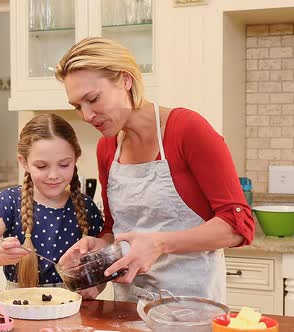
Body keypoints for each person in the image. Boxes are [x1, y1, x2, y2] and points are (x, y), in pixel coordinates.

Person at [54, 37, 255, 303]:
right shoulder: (107, 148)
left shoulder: (187, 130)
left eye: (92, 99)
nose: (87, 115)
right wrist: (99, 249)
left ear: (125, 80)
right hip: (127, 306)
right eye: (78, 106)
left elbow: (238, 226)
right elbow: (116, 228)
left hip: (190, 308)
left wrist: (159, 243)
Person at [0, 113, 105, 291]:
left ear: (75, 159)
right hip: (20, 307)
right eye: (41, 166)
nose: (53, 175)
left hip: (74, 308)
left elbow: (102, 266)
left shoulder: (86, 206)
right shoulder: (9, 201)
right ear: (24, 163)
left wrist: (95, 288)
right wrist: (1, 254)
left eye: (64, 165)